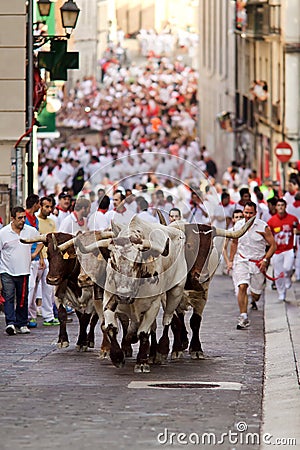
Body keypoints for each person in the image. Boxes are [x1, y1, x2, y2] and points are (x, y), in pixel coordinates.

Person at [228, 201, 276, 329]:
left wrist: (265, 260)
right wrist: (231, 260)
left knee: (255, 294)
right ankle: (243, 316)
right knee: (242, 286)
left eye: (250, 213)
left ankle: (254, 297)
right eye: (246, 212)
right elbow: (234, 243)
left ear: (256, 213)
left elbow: (273, 246)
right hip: (242, 261)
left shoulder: (262, 227)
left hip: (257, 263)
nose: (248, 215)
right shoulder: (238, 225)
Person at [0, 207, 40, 335]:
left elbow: (41, 241)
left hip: (23, 270)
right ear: (12, 218)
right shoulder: (3, 232)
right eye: (20, 218)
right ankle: (10, 323)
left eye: (24, 217)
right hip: (6, 269)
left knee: (23, 298)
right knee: (9, 296)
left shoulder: (30, 231)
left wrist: (34, 254)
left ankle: (22, 323)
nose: (22, 220)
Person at [267, 198, 299, 301]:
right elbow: (268, 235)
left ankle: (288, 277)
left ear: (285, 207)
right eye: (279, 205)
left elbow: (298, 231)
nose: (280, 207)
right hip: (277, 250)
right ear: (276, 207)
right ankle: (281, 293)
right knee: (278, 273)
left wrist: (296, 231)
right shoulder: (271, 221)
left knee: (287, 268)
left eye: (282, 205)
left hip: (289, 249)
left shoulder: (292, 219)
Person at [35, 197, 60, 326]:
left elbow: (55, 241)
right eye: (46, 207)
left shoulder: (52, 221)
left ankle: (48, 316)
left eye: (51, 207)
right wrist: (39, 257)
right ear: (40, 206)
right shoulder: (35, 220)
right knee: (32, 288)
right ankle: (31, 316)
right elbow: (36, 240)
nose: (49, 210)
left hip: (50, 259)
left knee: (49, 289)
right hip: (38, 258)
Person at [25, 194, 46, 329]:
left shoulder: (35, 220)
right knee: (30, 288)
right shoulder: (24, 218)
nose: (40, 206)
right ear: (35, 204)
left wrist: (41, 257)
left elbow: (39, 239)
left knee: (34, 288)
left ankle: (31, 315)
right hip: (27, 258)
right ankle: (25, 315)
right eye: (39, 204)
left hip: (36, 257)